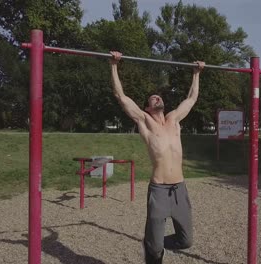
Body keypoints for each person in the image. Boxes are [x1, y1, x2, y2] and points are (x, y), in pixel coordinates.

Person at [109, 51, 205, 264]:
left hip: (180, 188)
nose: (157, 97)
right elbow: (121, 97)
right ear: (147, 107)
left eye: (159, 96)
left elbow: (191, 98)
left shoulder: (174, 119)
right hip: (159, 190)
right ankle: (153, 247)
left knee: (186, 241)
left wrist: (196, 74)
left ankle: (153, 243)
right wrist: (114, 65)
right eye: (153, 98)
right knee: (155, 251)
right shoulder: (144, 121)